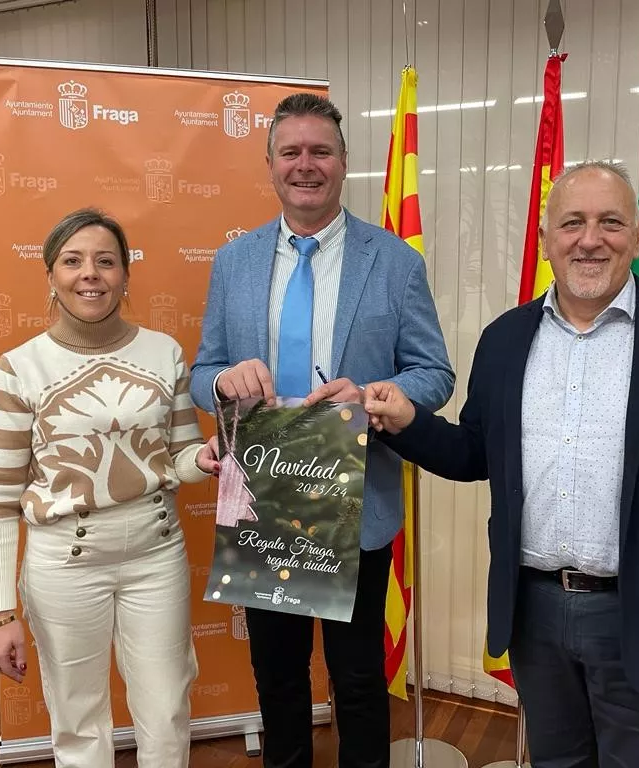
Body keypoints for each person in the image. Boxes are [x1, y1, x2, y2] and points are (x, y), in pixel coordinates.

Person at [362, 161, 639, 767]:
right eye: (573, 223)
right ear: (545, 239)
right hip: (536, 619)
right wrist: (408, 421)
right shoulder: (505, 339)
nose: (590, 239)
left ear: (638, 236)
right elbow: (477, 453)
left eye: (610, 222)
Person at [190, 92, 453, 768]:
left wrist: (371, 399)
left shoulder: (394, 263)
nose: (306, 165)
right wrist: (224, 384)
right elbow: (203, 372)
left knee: (360, 682)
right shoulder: (234, 262)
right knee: (277, 680)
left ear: (343, 163)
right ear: (271, 164)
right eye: (291, 152)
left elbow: (434, 373)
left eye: (320, 151)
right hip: (263, 505)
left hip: (355, 503)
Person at [0, 208, 221, 768]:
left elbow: (180, 451)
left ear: (126, 276)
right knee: (78, 720)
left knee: (166, 712)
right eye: (73, 260)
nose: (90, 273)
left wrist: (201, 458)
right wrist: (0, 612)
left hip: (157, 556)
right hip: (64, 566)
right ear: (51, 277)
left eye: (105, 261)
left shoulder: (165, 354)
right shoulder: (18, 369)